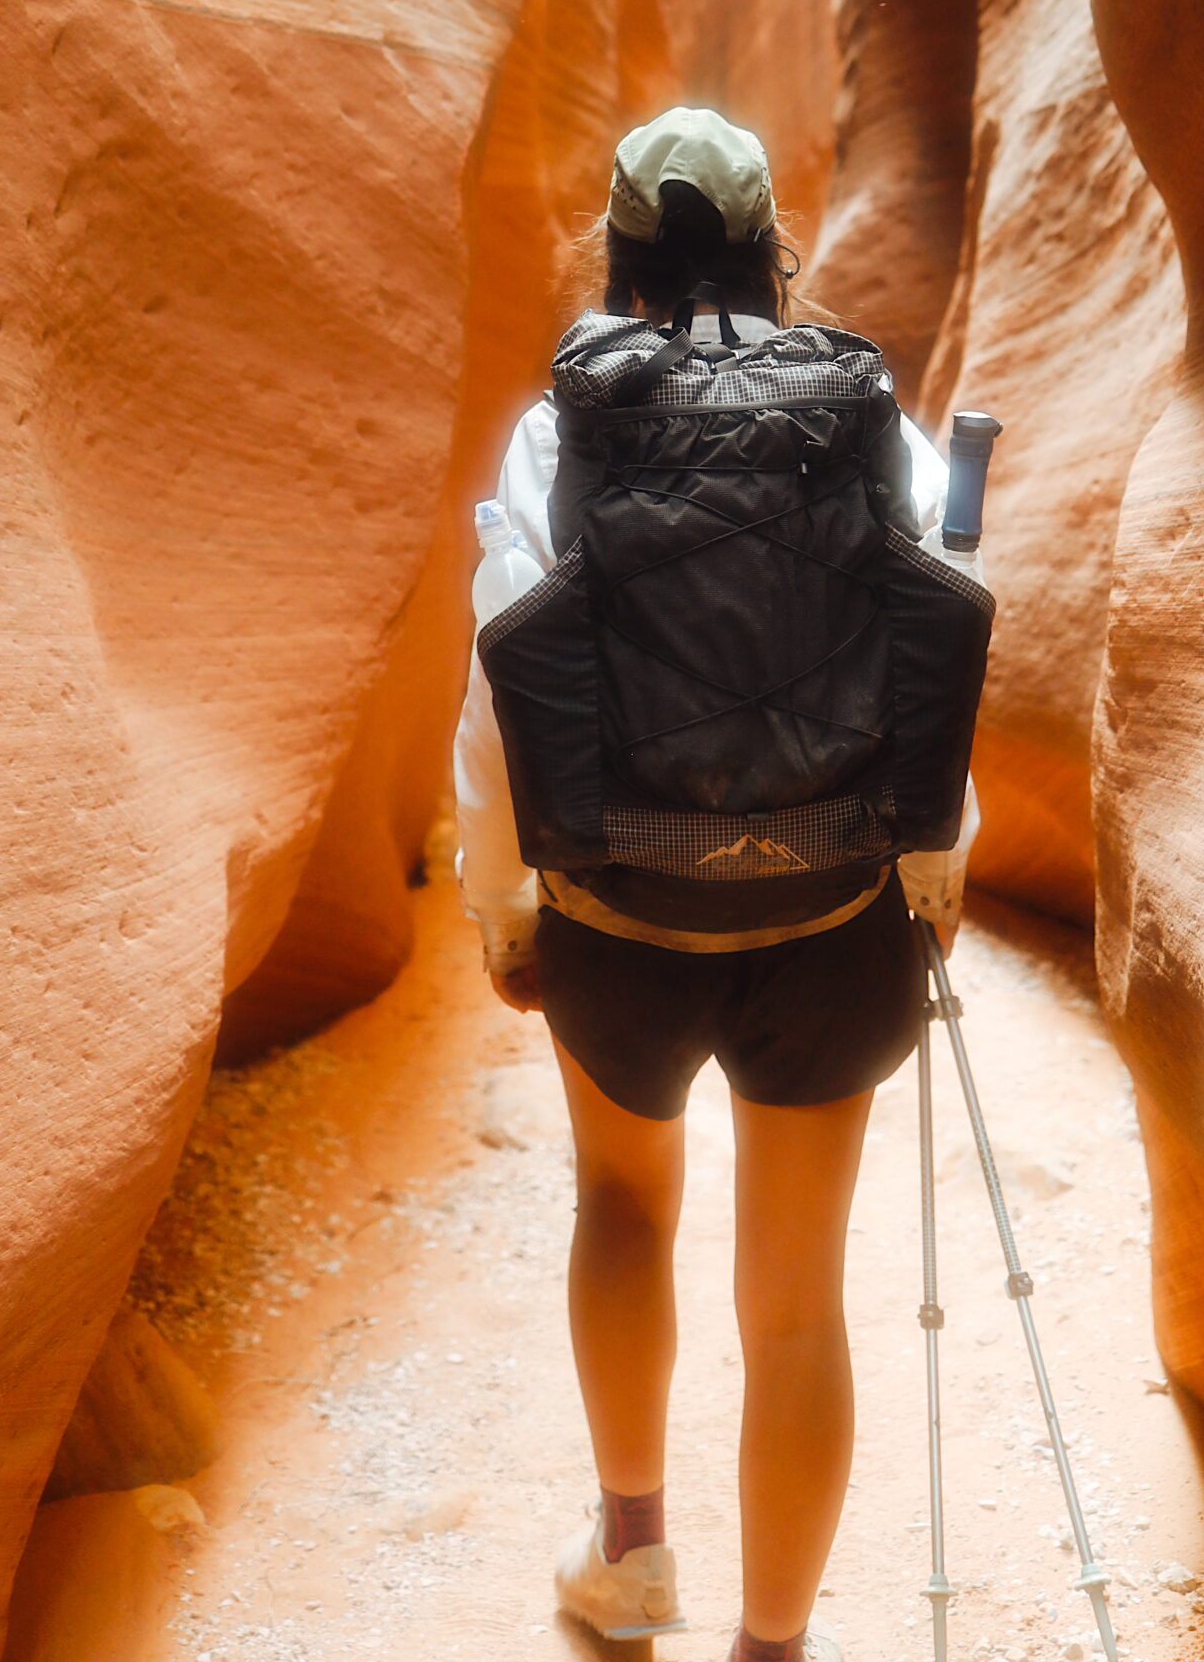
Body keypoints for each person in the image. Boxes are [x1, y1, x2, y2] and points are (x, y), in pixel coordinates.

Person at [452, 106, 986, 1662]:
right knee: (798, 1299)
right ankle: (771, 1645)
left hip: (619, 912)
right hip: (832, 922)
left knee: (623, 1201)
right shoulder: (868, 418)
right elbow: (936, 648)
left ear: (616, 253)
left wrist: (505, 910)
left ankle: (631, 1555)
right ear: (771, 251)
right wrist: (932, 879)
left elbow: (499, 684)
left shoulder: (561, 429)